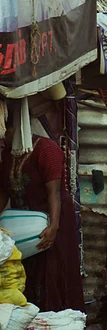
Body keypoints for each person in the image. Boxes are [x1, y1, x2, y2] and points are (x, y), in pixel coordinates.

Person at [0, 129, 84, 312]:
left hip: (52, 217)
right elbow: (4, 192)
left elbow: (53, 192)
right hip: (23, 223)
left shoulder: (46, 149)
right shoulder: (6, 153)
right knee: (25, 269)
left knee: (51, 270)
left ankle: (55, 314)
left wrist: (54, 226)